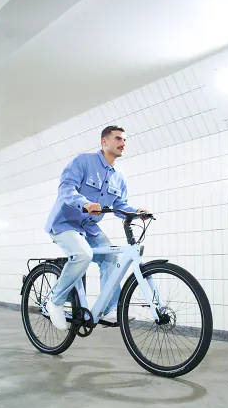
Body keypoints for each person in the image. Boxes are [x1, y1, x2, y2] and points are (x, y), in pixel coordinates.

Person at [43, 125, 151, 330]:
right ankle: (55, 302)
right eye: (118, 138)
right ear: (104, 141)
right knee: (83, 254)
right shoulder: (84, 161)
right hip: (64, 223)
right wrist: (84, 203)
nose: (123, 143)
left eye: (125, 140)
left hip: (89, 228)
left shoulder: (119, 177)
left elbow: (120, 206)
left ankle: (108, 309)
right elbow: (66, 188)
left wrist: (137, 212)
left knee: (111, 257)